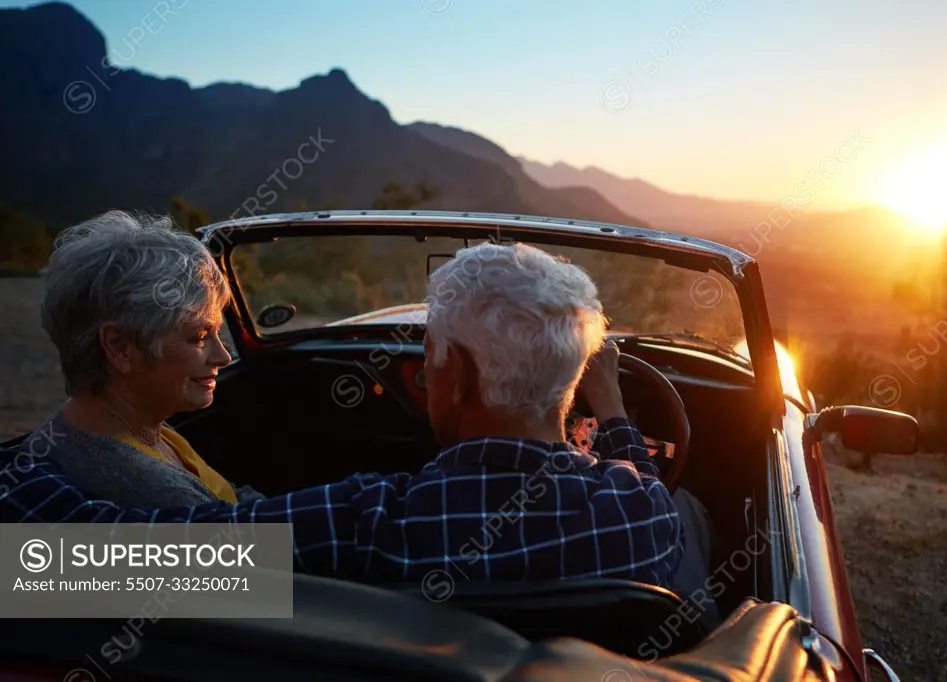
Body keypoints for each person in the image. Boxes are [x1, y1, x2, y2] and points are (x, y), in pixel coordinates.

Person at [0, 241, 681, 589]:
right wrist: (613, 408)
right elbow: (644, 476)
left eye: (432, 353)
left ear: (452, 376)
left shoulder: (364, 522)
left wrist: (18, 473)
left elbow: (102, 557)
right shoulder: (646, 515)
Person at [23, 210, 263, 507]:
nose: (224, 356)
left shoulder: (123, 426)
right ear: (120, 347)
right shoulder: (157, 493)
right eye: (199, 337)